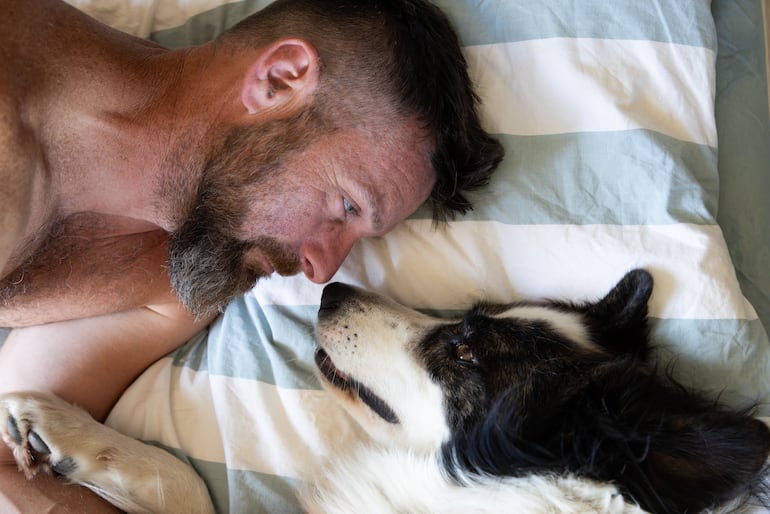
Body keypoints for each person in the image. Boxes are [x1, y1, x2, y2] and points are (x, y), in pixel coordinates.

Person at [0, 0, 503, 510]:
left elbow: (9, 452)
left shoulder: (168, 285)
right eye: (346, 206)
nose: (321, 269)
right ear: (280, 81)